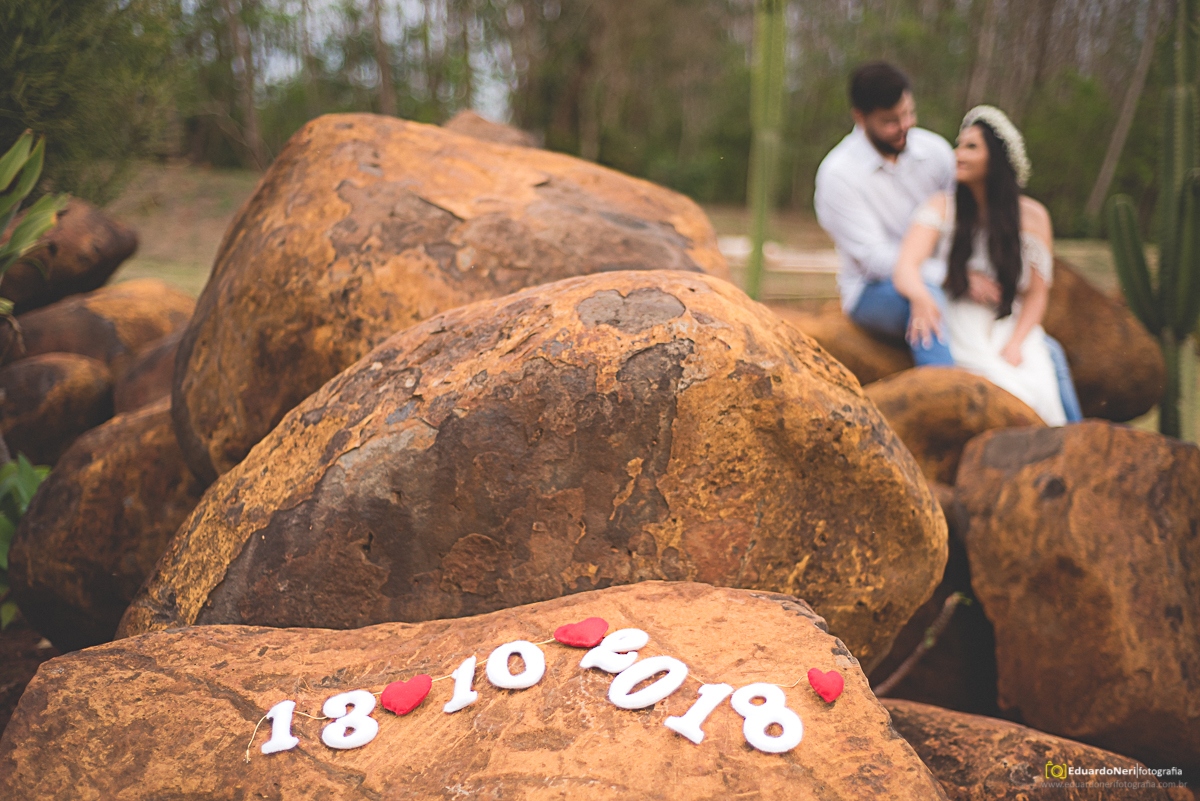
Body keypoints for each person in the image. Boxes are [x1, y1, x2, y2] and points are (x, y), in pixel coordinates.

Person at [814, 61, 1082, 421]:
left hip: (952, 281)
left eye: (908, 113)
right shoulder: (839, 175)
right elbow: (875, 258)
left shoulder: (934, 151)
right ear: (861, 118)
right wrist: (955, 276)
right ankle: (945, 412)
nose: (905, 125)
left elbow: (966, 212)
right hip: (875, 289)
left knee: (1044, 348)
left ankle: (1078, 432)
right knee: (926, 304)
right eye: (891, 120)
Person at [893, 106, 1065, 425]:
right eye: (959, 145)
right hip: (961, 321)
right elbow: (905, 266)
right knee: (1000, 388)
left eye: (971, 147)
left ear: (997, 157)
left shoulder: (1034, 216)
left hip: (1010, 325)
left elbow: (1038, 294)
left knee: (1041, 382)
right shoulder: (942, 207)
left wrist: (1016, 344)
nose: (958, 154)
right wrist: (920, 297)